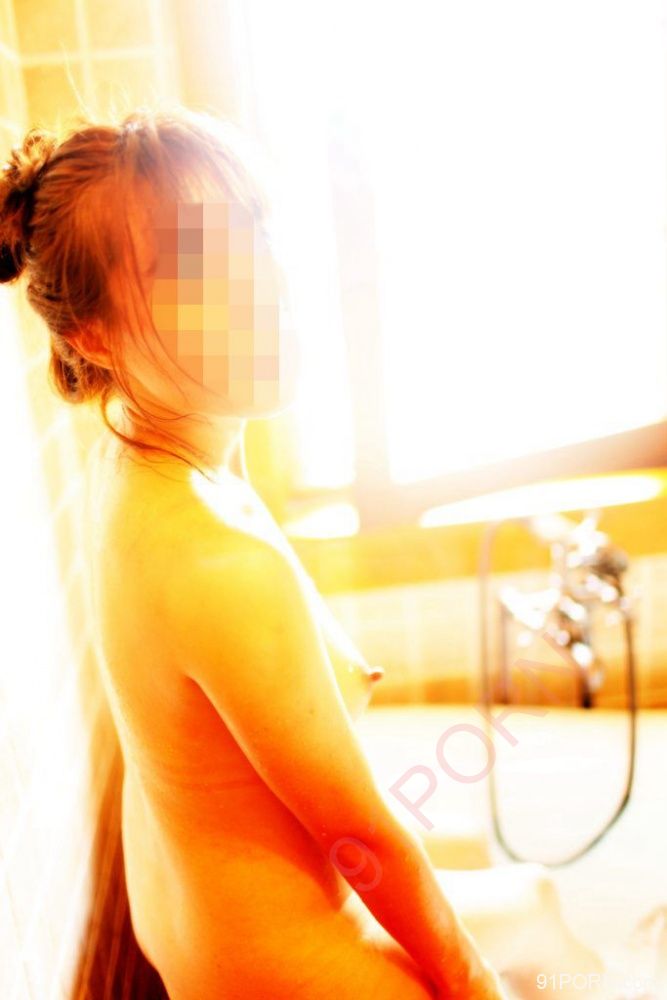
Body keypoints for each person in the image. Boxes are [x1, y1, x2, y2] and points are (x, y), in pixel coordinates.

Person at [0, 103, 508, 999]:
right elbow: (362, 842)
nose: (257, 283)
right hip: (292, 971)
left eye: (252, 232)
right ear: (91, 334)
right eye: (190, 266)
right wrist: (479, 988)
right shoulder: (217, 560)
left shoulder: (136, 460)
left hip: (197, 942)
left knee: (535, 906)